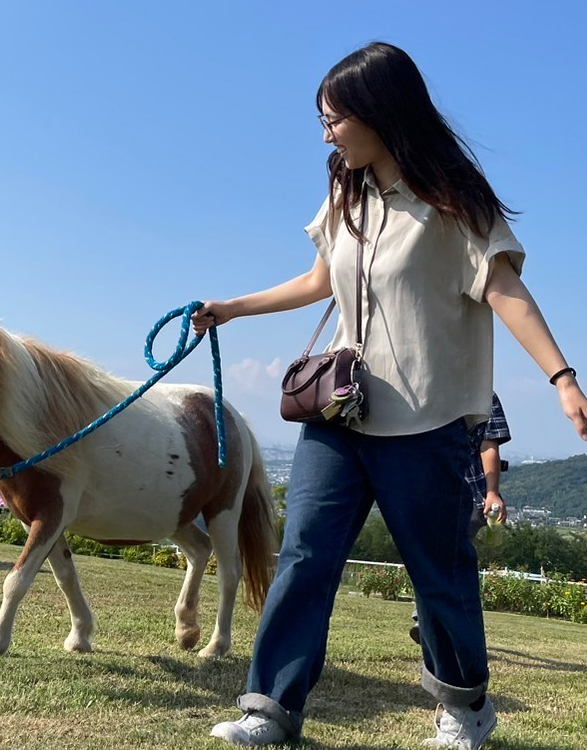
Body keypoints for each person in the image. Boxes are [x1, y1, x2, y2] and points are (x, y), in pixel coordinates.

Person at [191, 42, 587, 749]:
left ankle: (464, 708)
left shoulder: (452, 200)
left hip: (430, 423)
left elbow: (503, 288)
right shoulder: (347, 194)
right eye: (322, 121)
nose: (326, 134)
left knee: (438, 573)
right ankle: (271, 711)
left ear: (381, 112)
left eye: (335, 119)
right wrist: (232, 307)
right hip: (342, 414)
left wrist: (563, 379)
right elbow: (318, 280)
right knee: (305, 555)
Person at [410, 392, 511, 645]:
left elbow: (489, 445)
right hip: (430, 485)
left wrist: (491, 492)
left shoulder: (484, 392)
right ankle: (433, 620)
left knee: (448, 555)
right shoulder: (424, 386)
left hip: (469, 491)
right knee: (435, 555)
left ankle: (431, 621)